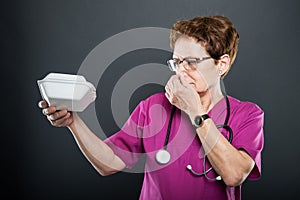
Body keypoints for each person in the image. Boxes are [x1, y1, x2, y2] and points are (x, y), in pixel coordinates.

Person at [38, 15, 264, 200]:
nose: (181, 71)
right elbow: (109, 163)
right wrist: (73, 121)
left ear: (221, 64)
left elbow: (234, 174)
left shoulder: (247, 115)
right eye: (177, 62)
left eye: (192, 62)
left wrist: (195, 111)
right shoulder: (153, 106)